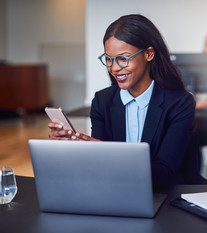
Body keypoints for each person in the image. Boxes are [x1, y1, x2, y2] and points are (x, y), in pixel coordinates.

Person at [48, 14, 196, 189]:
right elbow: (97, 167)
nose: (115, 68)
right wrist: (71, 146)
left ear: (149, 54)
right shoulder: (102, 101)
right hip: (114, 190)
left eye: (123, 59)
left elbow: (164, 173)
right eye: (109, 60)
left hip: (164, 196)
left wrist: (104, 152)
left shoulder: (179, 103)